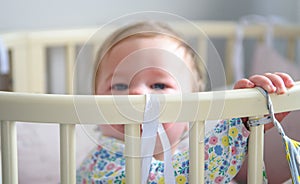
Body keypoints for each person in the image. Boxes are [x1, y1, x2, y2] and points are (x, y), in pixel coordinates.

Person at [76, 21, 295, 183]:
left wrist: (251, 122)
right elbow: (178, 177)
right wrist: (237, 127)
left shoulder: (188, 153)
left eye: (159, 86)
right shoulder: (104, 161)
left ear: (191, 110)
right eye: (119, 86)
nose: (136, 94)